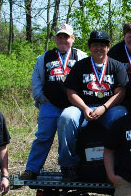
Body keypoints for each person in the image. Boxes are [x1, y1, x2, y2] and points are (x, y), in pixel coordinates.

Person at [58, 30, 129, 180]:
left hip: (109, 108)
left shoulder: (116, 66)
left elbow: (120, 93)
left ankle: (122, 164)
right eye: (95, 45)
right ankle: (68, 165)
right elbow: (71, 92)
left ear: (108, 47)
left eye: (102, 45)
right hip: (83, 107)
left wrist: (103, 108)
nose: (99, 48)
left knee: (123, 118)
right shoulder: (80, 65)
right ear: (89, 47)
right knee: (66, 117)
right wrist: (84, 108)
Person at [20, 24, 87, 180]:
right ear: (56, 39)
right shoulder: (45, 57)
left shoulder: (81, 56)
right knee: (43, 137)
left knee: (72, 138)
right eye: (60, 37)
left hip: (73, 106)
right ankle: (32, 169)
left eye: (66, 37)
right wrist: (40, 97)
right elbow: (36, 78)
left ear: (73, 39)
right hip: (50, 104)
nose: (63, 40)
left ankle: (68, 167)